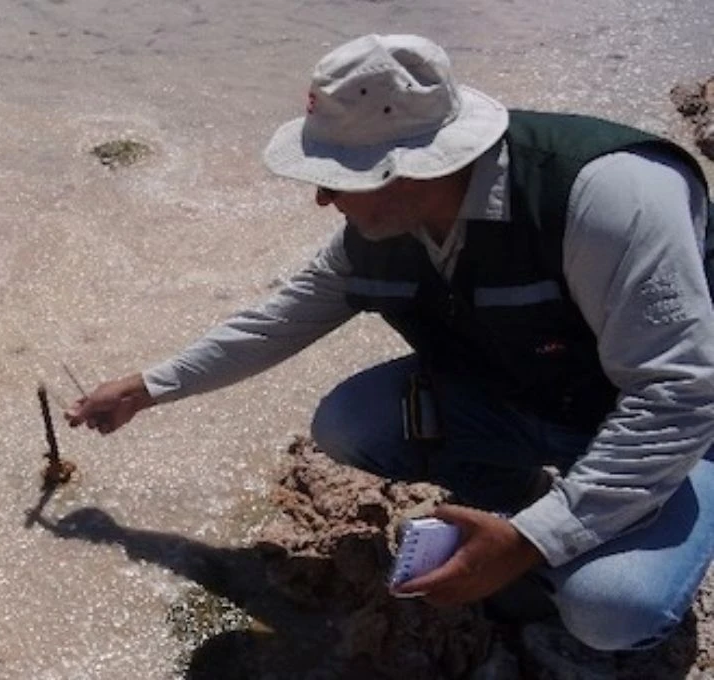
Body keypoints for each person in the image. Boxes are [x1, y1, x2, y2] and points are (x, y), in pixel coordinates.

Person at [64, 33, 714, 652]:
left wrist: (531, 544)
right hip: (528, 401)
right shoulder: (382, 230)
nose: (320, 197)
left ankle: (619, 530)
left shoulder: (606, 196)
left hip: (677, 430)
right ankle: (519, 507)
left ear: (410, 170)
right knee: (351, 423)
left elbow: (679, 394)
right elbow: (272, 322)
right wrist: (148, 387)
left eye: (336, 176)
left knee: (611, 610)